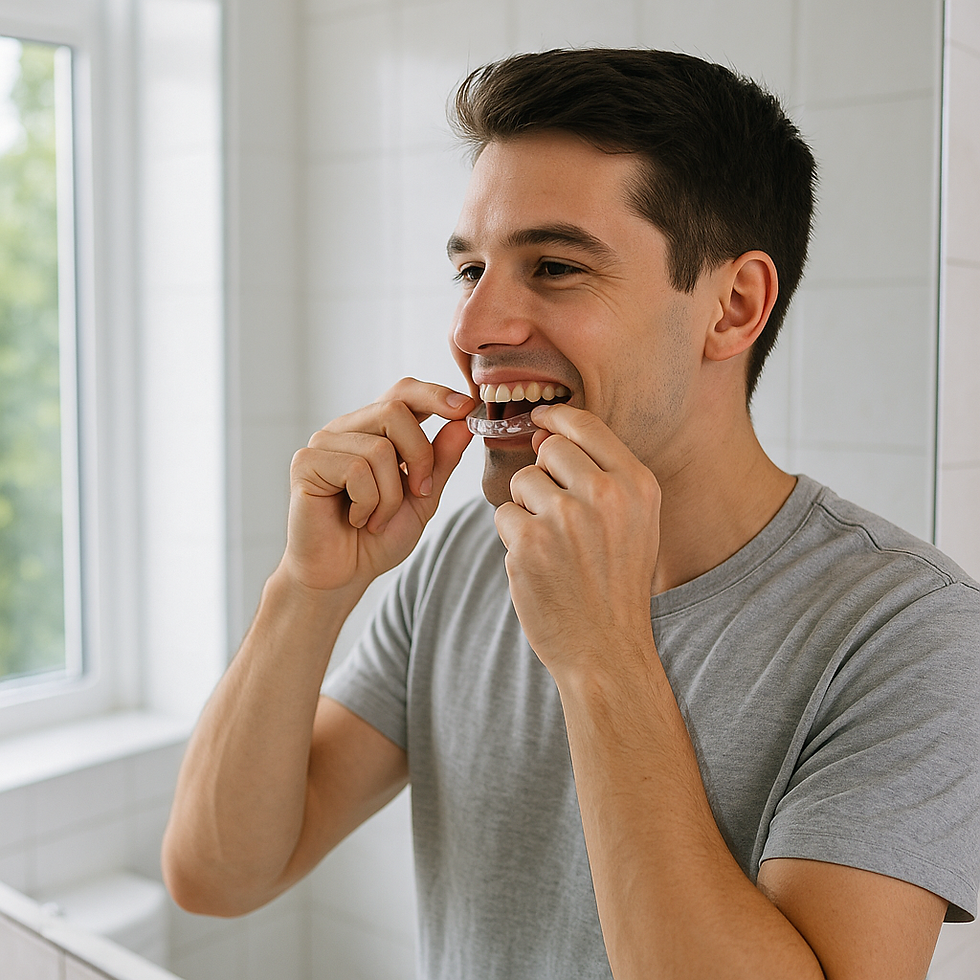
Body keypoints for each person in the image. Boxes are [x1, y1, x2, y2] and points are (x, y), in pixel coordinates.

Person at [162, 48, 980, 979]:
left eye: (553, 266)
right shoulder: (461, 557)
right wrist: (306, 592)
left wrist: (603, 657)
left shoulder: (913, 634)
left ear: (733, 306)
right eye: (471, 272)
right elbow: (216, 876)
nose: (473, 331)